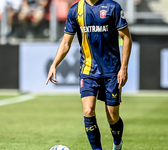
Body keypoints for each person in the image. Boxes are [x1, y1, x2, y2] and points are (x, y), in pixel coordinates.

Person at [46, 0, 132, 149]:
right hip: (88, 70)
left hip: (111, 70)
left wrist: (123, 68)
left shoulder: (113, 7)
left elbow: (126, 37)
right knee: (88, 110)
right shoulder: (75, 10)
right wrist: (54, 64)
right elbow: (66, 43)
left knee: (112, 117)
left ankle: (117, 143)